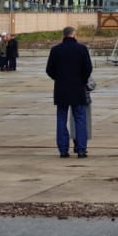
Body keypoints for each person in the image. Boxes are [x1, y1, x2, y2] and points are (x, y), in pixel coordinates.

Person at [46, 26, 94, 158]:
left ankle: (63, 149)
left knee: (61, 119)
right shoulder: (82, 49)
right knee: (80, 119)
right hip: (78, 89)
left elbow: (49, 70)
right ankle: (81, 149)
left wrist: (59, 78)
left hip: (61, 89)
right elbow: (88, 68)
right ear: (74, 35)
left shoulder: (55, 50)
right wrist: (82, 80)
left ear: (64, 35)